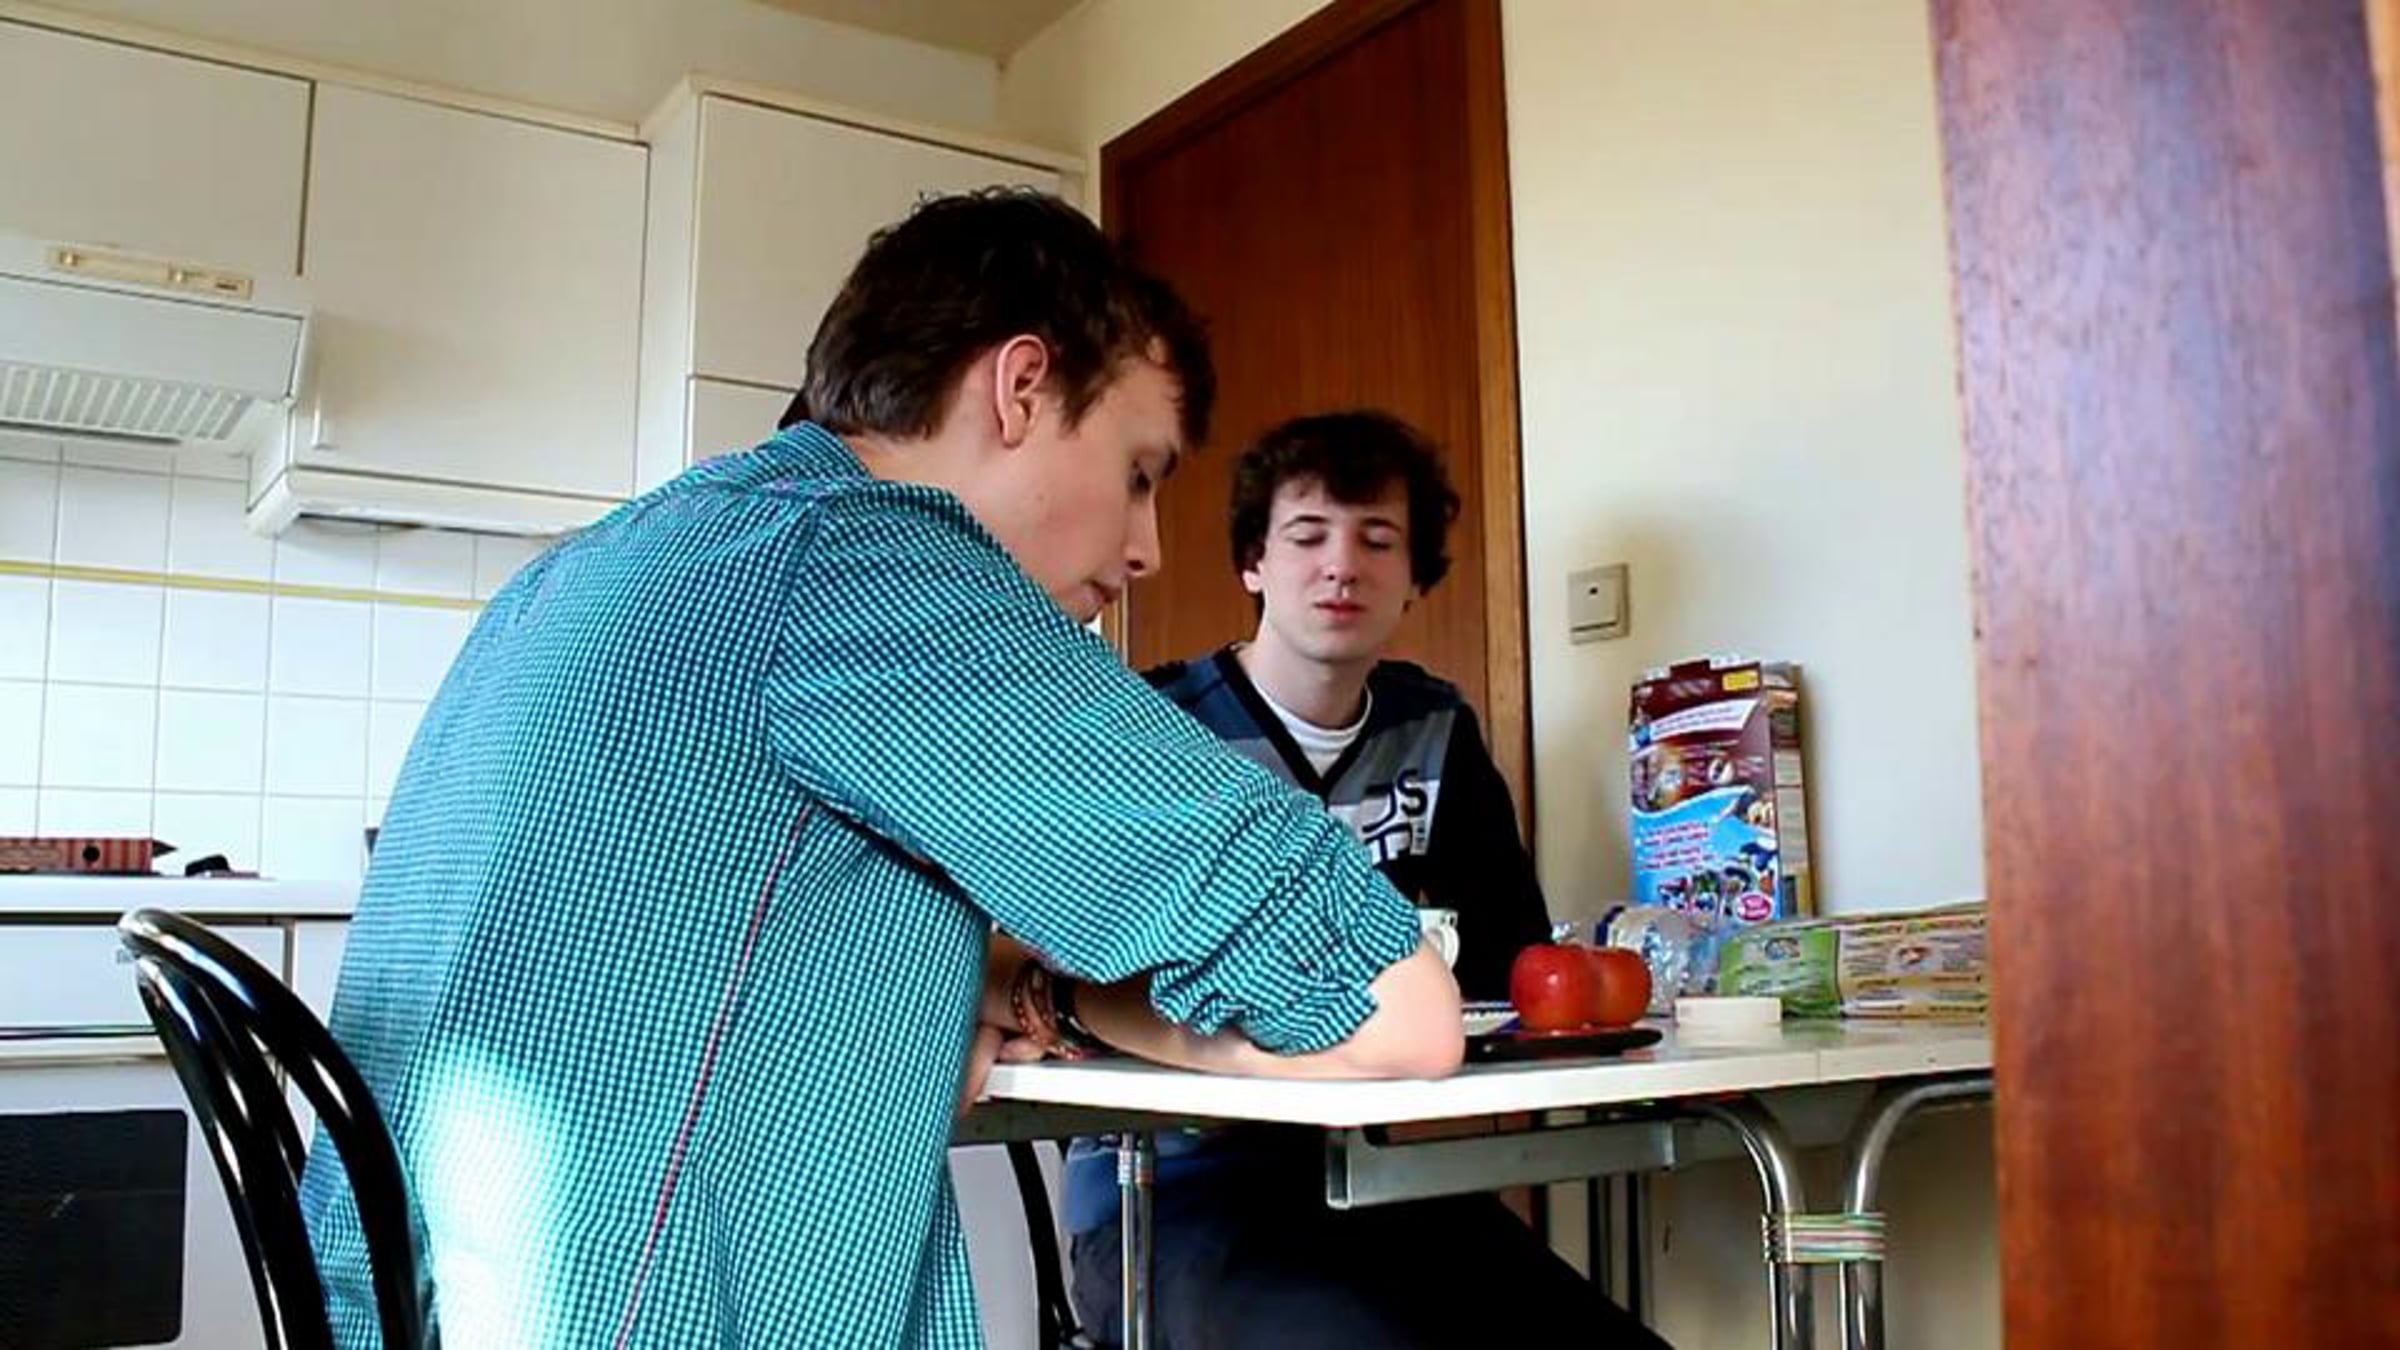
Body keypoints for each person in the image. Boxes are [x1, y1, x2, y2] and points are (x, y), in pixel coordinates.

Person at [297, 191, 1465, 1349]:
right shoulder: (861, 556)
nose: (1149, 546)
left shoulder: (596, 563)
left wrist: (987, 982)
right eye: (1139, 472)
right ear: (1021, 388)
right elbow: (1390, 1008)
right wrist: (1055, 996)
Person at [1062, 411, 1669, 1348]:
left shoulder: (1434, 730)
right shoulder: (1157, 726)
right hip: (1167, 1198)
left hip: (1377, 1181)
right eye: (1308, 537)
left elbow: (1508, 965)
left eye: (1378, 541)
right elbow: (1085, 960)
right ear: (1253, 564)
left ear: (1416, 577)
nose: (1341, 567)